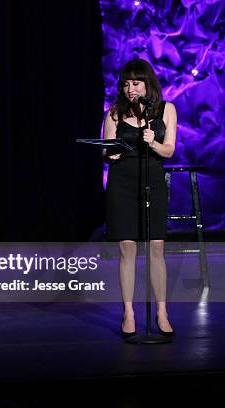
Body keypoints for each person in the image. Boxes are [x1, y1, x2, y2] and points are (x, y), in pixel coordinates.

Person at [103, 58, 177, 339]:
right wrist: (112, 154)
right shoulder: (114, 113)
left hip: (152, 183)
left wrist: (152, 142)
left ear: (147, 84)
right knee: (127, 249)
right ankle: (129, 312)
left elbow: (169, 150)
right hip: (122, 183)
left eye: (135, 83)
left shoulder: (166, 110)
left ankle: (161, 312)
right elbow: (106, 149)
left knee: (156, 248)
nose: (130, 88)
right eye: (125, 83)